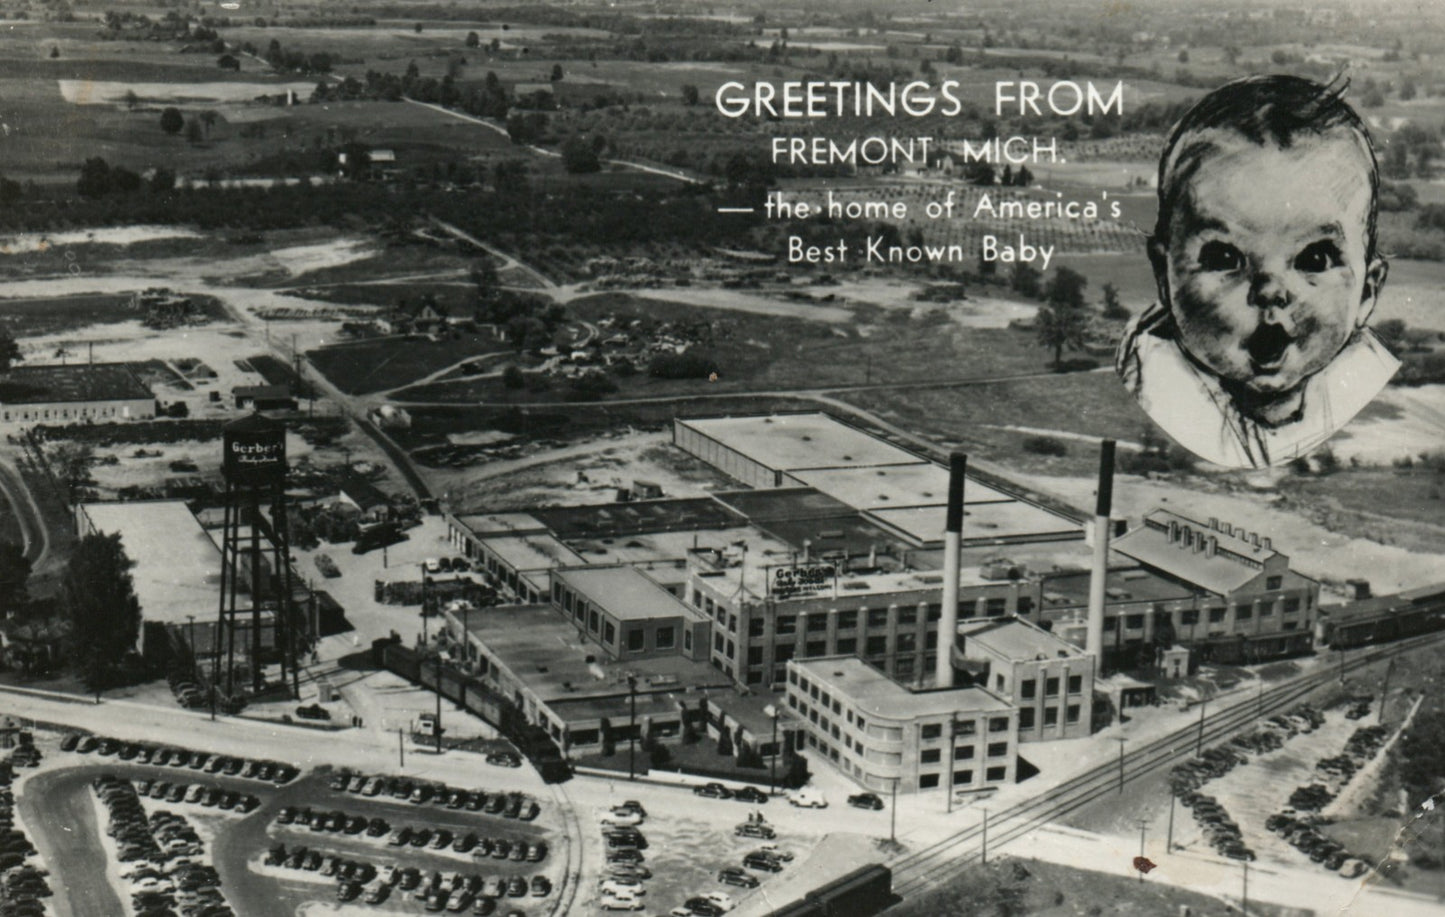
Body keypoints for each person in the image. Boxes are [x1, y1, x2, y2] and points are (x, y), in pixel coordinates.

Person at [1116, 74, 1398, 469]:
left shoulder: (1369, 387)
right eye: (1225, 259)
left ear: (1367, 293)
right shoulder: (1152, 389)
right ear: (1165, 275)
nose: (1270, 291)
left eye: (1314, 260)